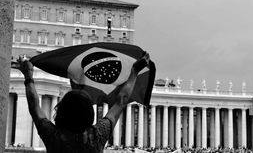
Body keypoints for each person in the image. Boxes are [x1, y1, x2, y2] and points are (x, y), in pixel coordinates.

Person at [12, 53, 150, 153]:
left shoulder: (53, 137)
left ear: (60, 112)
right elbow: (121, 101)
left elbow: (33, 105)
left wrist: (28, 76)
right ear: (90, 114)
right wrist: (134, 73)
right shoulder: (97, 136)